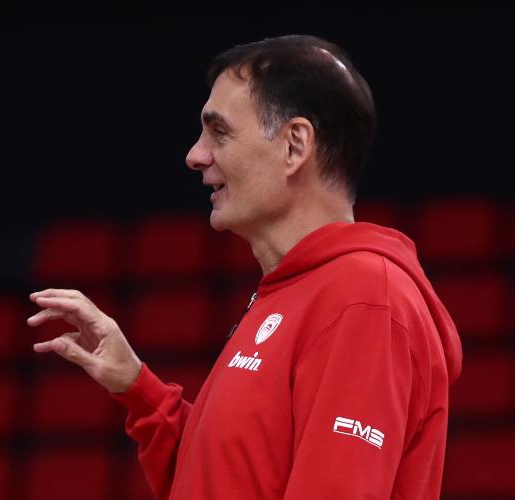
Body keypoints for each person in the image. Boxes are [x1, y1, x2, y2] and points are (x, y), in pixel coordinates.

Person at [28, 35, 462, 499]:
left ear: (295, 145)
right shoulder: (297, 290)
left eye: (219, 132)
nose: (195, 155)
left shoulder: (366, 299)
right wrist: (139, 389)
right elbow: (220, 481)